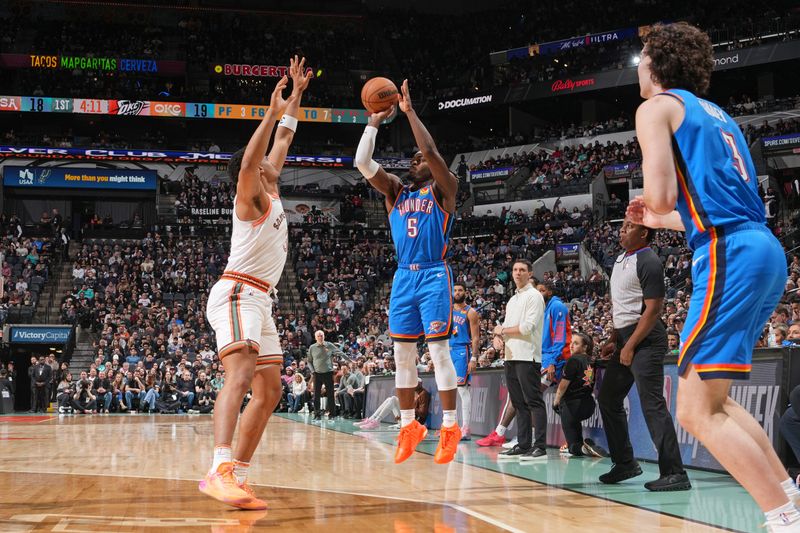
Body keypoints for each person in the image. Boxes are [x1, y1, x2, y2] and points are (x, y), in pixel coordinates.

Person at [628, 22, 794, 529]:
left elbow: (660, 195)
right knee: (715, 399)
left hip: (730, 255)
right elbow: (709, 207)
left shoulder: (655, 107)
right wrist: (659, 221)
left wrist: (653, 206)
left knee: (696, 411)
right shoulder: (718, 114)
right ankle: (789, 496)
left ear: (655, 67)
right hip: (762, 247)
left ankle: (784, 517)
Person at [200, 56, 312, 510]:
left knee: (270, 389)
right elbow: (252, 158)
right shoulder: (249, 197)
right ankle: (219, 468)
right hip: (237, 291)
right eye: (264, 162)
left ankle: (239, 477)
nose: (272, 161)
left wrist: (297, 96)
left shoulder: (274, 187)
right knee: (242, 373)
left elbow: (285, 135)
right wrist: (268, 110)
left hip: (262, 299)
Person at [355, 79, 461, 464]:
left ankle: (450, 426)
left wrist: (410, 112)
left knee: (438, 350)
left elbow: (431, 150)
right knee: (402, 356)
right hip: (403, 276)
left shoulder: (445, 188)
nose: (414, 160)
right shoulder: (396, 192)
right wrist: (373, 123)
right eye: (412, 159)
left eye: (418, 159)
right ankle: (407, 426)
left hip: (433, 275)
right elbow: (362, 164)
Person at [598, 218, 689, 490]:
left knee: (652, 404)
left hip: (646, 339)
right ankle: (625, 463)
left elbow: (653, 310)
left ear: (644, 232)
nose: (622, 230)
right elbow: (623, 307)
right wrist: (615, 339)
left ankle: (675, 473)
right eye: (622, 226)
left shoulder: (648, 260)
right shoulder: (619, 260)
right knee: (608, 397)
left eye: (629, 226)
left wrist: (630, 345)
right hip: (626, 337)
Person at [495, 260, 548, 461]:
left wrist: (502, 330)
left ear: (530, 273)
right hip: (511, 356)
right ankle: (524, 444)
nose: (518, 273)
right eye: (515, 270)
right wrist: (497, 337)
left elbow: (527, 328)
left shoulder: (534, 296)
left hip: (528, 355)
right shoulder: (512, 300)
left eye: (522, 270)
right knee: (518, 402)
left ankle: (540, 447)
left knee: (533, 401)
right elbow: (506, 328)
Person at [552, 333, 605, 457]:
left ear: (585, 347)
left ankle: (584, 448)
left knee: (572, 447)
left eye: (575, 343)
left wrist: (556, 402)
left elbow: (563, 385)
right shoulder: (592, 360)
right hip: (589, 405)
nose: (571, 346)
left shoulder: (573, 360)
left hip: (572, 406)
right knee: (576, 432)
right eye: (571, 343)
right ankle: (584, 446)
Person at [450, 283, 481, 440]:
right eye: (455, 290)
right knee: (449, 390)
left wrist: (474, 357)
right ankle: (451, 426)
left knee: (462, 389)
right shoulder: (447, 311)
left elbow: (476, 337)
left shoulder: (471, 312)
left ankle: (466, 428)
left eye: (460, 290)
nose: (457, 293)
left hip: (463, 351)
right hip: (448, 351)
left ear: (466, 293)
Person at [358, 378, 431, 430]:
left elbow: (423, 413)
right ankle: (372, 419)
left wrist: (409, 407)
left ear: (419, 384)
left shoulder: (423, 394)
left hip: (414, 423)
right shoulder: (414, 393)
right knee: (390, 399)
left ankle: (376, 421)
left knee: (393, 399)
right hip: (406, 419)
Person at [537, 281, 571, 384]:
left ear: (550, 292)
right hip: (543, 356)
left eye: (542, 291)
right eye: (537, 291)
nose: (538, 294)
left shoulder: (557, 306)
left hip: (555, 357)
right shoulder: (542, 308)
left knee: (534, 394)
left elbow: (559, 336)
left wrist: (553, 361)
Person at [308, 330, 345, 419]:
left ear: (324, 336)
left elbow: (340, 353)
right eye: (319, 336)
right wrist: (313, 371)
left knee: (330, 395)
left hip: (328, 373)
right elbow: (309, 361)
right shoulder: (312, 347)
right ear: (316, 337)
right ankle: (317, 414)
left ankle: (332, 414)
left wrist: (350, 360)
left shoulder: (329, 345)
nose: (320, 337)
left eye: (322, 335)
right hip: (317, 374)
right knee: (316, 395)